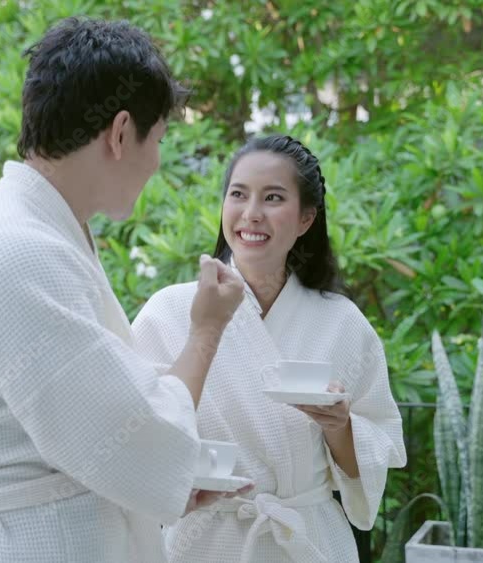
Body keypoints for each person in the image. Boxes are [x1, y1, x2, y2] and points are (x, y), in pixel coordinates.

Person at [0, 17, 249, 563]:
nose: (157, 161)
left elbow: (114, 433)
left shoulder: (35, 233)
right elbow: (135, 434)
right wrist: (207, 329)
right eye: (159, 138)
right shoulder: (16, 251)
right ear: (121, 133)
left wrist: (161, 474)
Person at [132, 134, 407, 562]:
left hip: (306, 539)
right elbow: (134, 432)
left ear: (306, 218)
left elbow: (367, 465)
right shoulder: (170, 311)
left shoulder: (342, 323)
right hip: (205, 541)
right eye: (238, 195)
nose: (251, 214)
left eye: (273, 197)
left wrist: (339, 424)